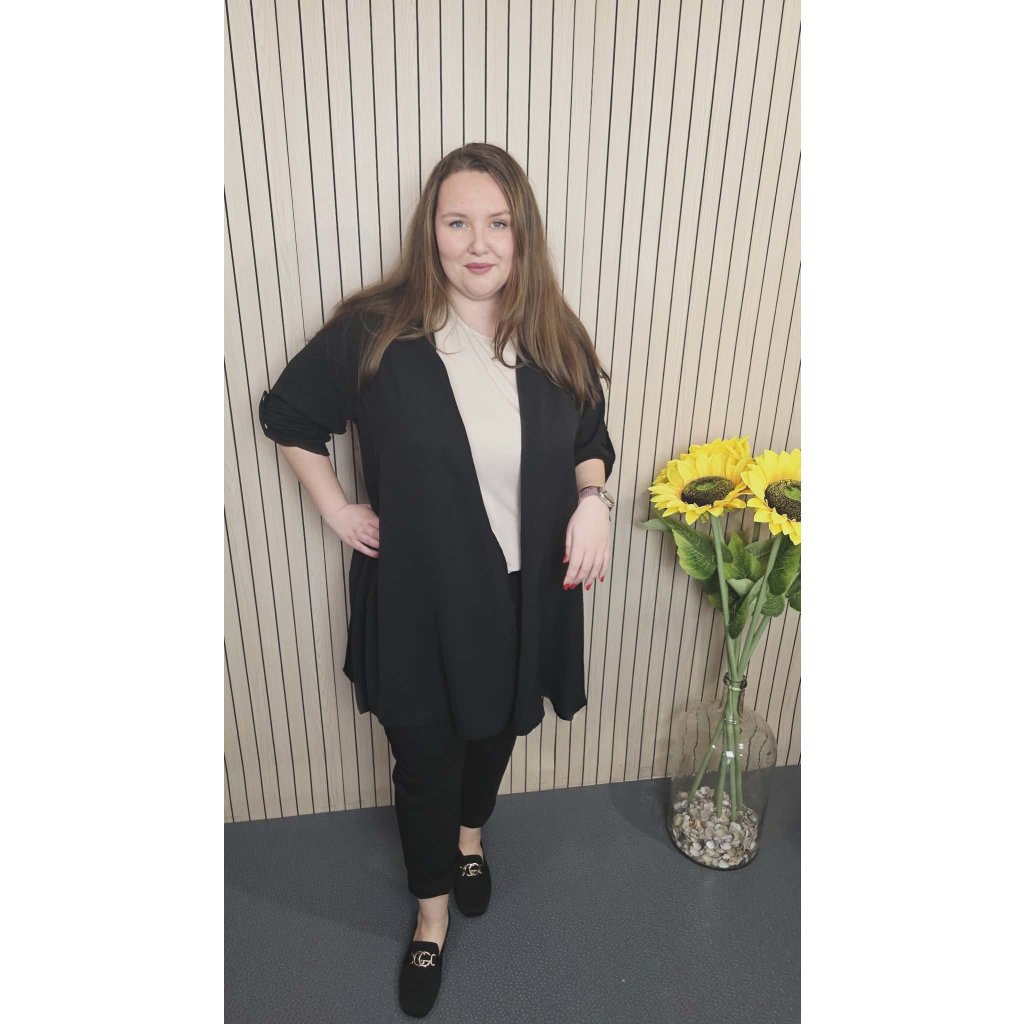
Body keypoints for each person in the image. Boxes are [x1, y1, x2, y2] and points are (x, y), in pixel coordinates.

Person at [257, 142, 616, 1016]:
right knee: (424, 760)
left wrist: (594, 501)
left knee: (493, 737)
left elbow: (589, 440)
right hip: (419, 600)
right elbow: (288, 414)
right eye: (459, 222)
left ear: (522, 235)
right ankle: (430, 917)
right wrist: (338, 510)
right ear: (432, 232)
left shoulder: (553, 336)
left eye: (498, 223)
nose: (479, 243)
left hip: (524, 597)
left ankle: (470, 840)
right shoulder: (376, 332)